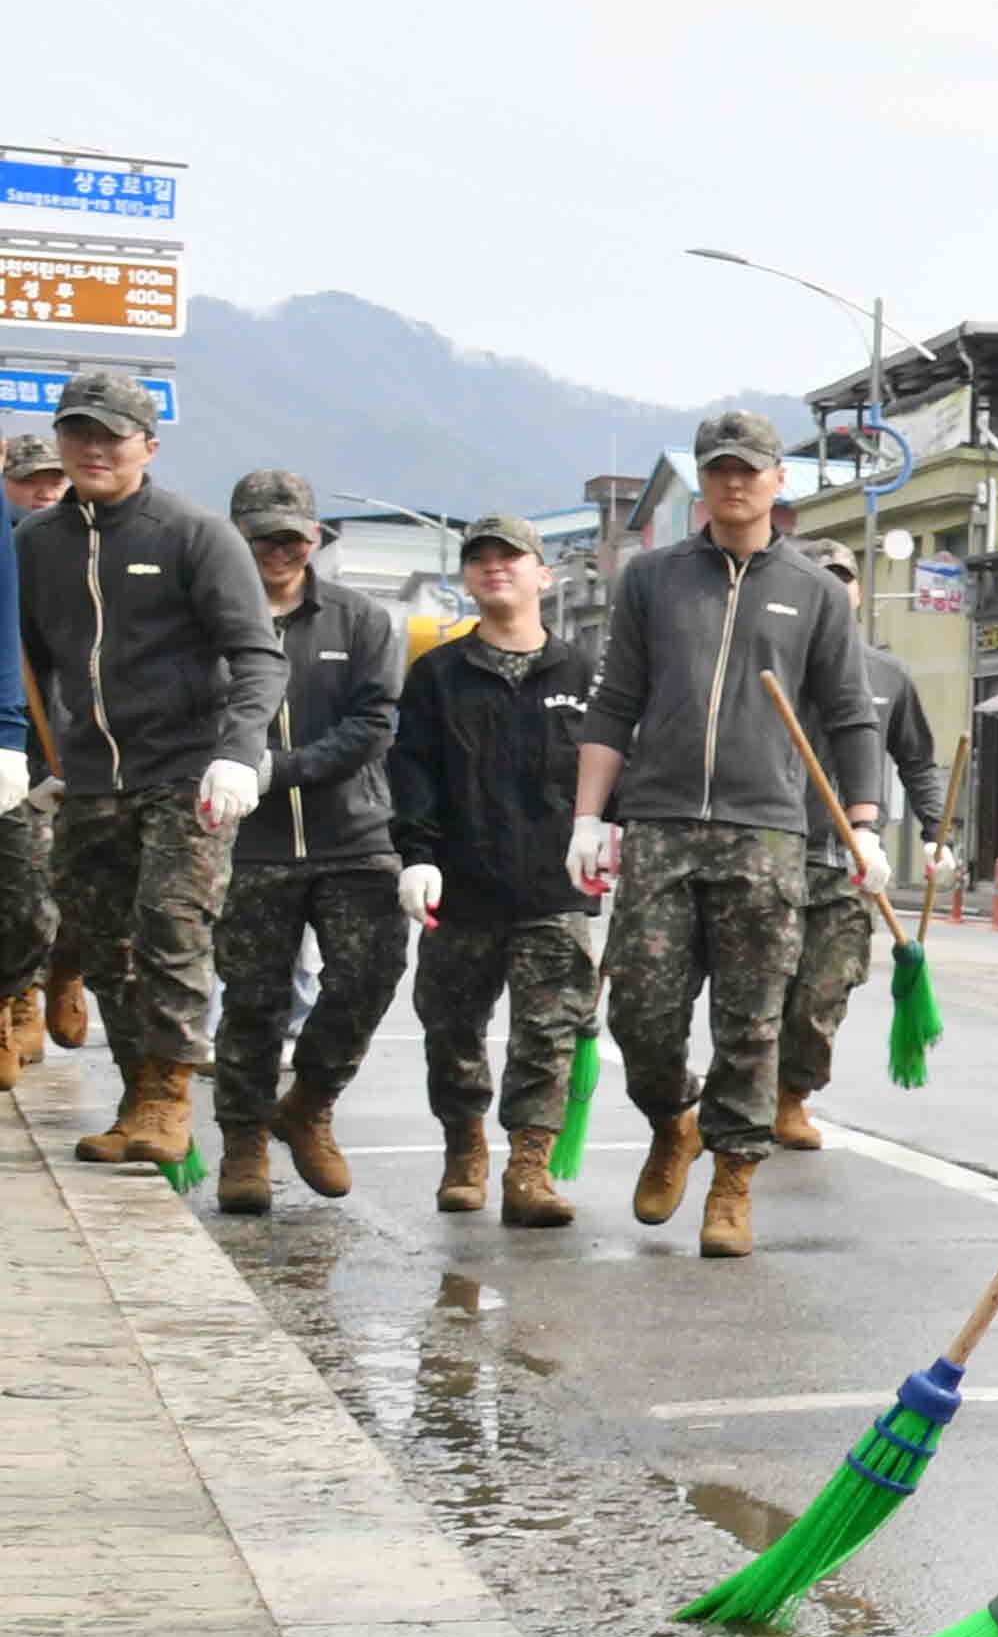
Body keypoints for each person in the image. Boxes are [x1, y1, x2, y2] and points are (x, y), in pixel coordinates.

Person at [576, 406, 881, 1258]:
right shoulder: (652, 580)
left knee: (751, 1023)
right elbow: (613, 704)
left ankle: (733, 1180)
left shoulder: (815, 590)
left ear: (779, 480)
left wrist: (864, 826)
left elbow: (852, 715)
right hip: (662, 823)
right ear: (701, 481)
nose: (734, 481)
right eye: (718, 468)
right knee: (641, 1013)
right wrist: (587, 817)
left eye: (749, 467)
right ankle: (673, 1121)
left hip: (766, 831)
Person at [10, 367, 277, 1171]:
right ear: (58, 440)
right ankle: (137, 1094)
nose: (94, 448)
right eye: (78, 432)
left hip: (185, 773)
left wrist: (237, 754)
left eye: (112, 435)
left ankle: (168, 1097)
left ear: (147, 446)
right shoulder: (32, 545)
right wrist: (33, 761)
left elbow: (257, 655)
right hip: (87, 778)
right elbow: (18, 660)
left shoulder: (194, 535)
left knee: (170, 925)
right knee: (100, 943)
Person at [206, 469, 410, 1215]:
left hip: (352, 836)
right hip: (247, 845)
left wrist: (274, 770)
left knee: (368, 974)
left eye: (293, 535)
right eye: (263, 535)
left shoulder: (361, 619)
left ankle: (311, 1102)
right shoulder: (204, 623)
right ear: (236, 538)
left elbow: (373, 723)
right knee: (253, 1001)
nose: (280, 548)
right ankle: (244, 1144)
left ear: (315, 537)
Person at [392, 514, 601, 1224]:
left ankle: (530, 1169)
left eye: (510, 557)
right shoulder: (437, 676)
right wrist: (415, 858)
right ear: (466, 579)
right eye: (479, 559)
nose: (494, 568)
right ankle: (464, 1152)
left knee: (547, 1035)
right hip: (462, 887)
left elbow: (611, 776)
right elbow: (412, 774)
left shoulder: (586, 675)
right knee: (451, 1030)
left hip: (554, 889)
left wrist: (615, 837)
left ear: (544, 574)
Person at [772, 535, 944, 1150]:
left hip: (850, 864)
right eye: (819, 576)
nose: (833, 587)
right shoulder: (771, 662)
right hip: (770, 853)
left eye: (842, 576)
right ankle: (745, 1095)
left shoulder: (887, 675)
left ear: (858, 590)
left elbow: (919, 761)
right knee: (762, 992)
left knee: (824, 991)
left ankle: (791, 1097)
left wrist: (935, 833)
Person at [0, 429, 52, 1073]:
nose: (47, 491)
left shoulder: (26, 542)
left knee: (30, 900)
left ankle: (25, 987)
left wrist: (9, 736)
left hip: (36, 742)